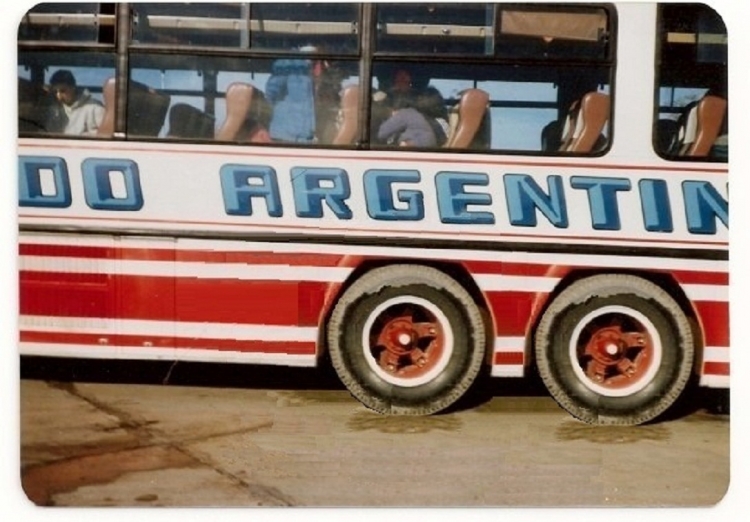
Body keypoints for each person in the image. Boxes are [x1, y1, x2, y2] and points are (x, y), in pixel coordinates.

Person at [46, 69, 105, 136]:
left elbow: (103, 137)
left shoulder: (95, 108)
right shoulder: (55, 111)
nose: (58, 96)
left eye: (63, 91)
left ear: (73, 87)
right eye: (55, 92)